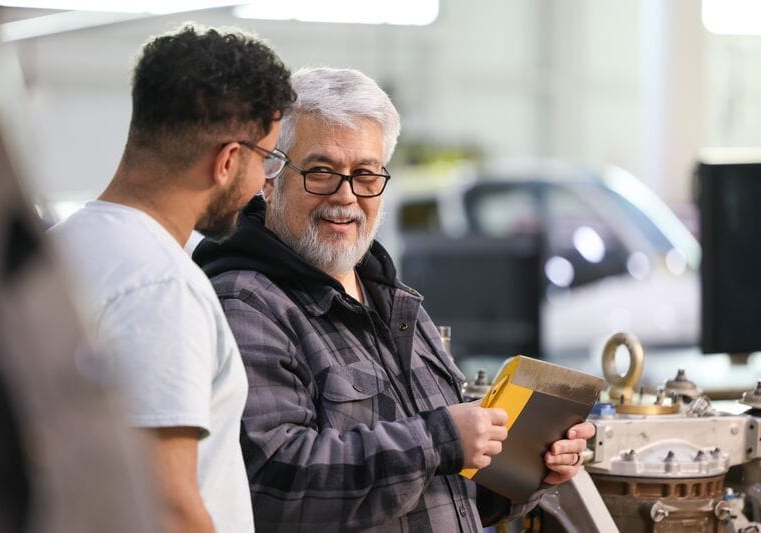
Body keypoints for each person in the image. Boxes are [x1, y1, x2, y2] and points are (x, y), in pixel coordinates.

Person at [193, 67, 594, 531]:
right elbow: (274, 483)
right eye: (321, 172)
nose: (345, 196)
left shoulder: (395, 304)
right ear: (270, 176)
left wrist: (527, 466)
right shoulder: (247, 305)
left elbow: (444, 491)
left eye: (365, 174)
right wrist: (439, 440)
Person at [50, 25, 295, 532]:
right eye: (267, 159)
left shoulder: (59, 248)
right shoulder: (163, 287)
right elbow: (167, 507)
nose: (262, 183)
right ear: (228, 160)